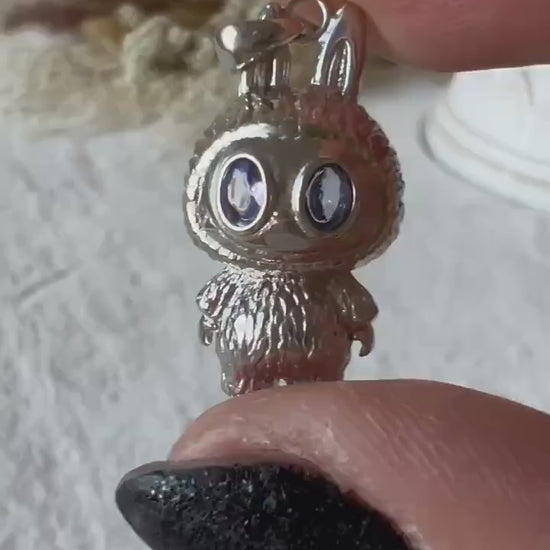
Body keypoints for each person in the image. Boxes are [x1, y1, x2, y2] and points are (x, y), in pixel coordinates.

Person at [115, 1, 550, 549]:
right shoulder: (244, 268)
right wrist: (214, 311)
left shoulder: (333, 273)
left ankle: (286, 410)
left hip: (317, 352)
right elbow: (219, 297)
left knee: (308, 403)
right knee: (249, 405)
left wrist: (357, 322)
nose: (277, 223)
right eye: (247, 193)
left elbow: (351, 302)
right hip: (249, 347)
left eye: (322, 197)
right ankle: (253, 405)